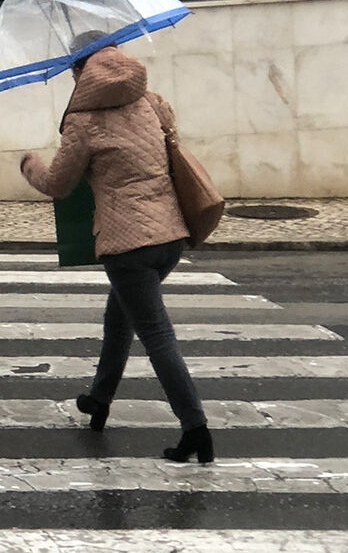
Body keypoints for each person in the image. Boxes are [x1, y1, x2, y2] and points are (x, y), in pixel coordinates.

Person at [19, 36, 213, 463]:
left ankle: (195, 428)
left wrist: (29, 165)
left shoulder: (83, 122)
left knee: (157, 335)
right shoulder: (153, 102)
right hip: (170, 235)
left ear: (82, 70)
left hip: (128, 244)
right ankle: (100, 399)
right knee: (119, 316)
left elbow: (58, 184)